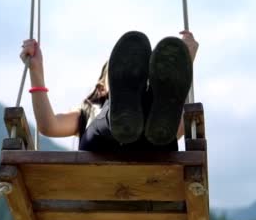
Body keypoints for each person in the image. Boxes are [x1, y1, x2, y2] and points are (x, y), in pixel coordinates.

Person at [19, 30, 199, 151]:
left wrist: (184, 64)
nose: (133, 76)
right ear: (102, 84)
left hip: (152, 147)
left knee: (161, 128)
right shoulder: (86, 112)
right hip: (109, 155)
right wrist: (36, 70)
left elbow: (175, 126)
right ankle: (121, 116)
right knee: (111, 119)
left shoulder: (162, 123)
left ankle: (153, 98)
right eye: (122, 72)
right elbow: (49, 126)